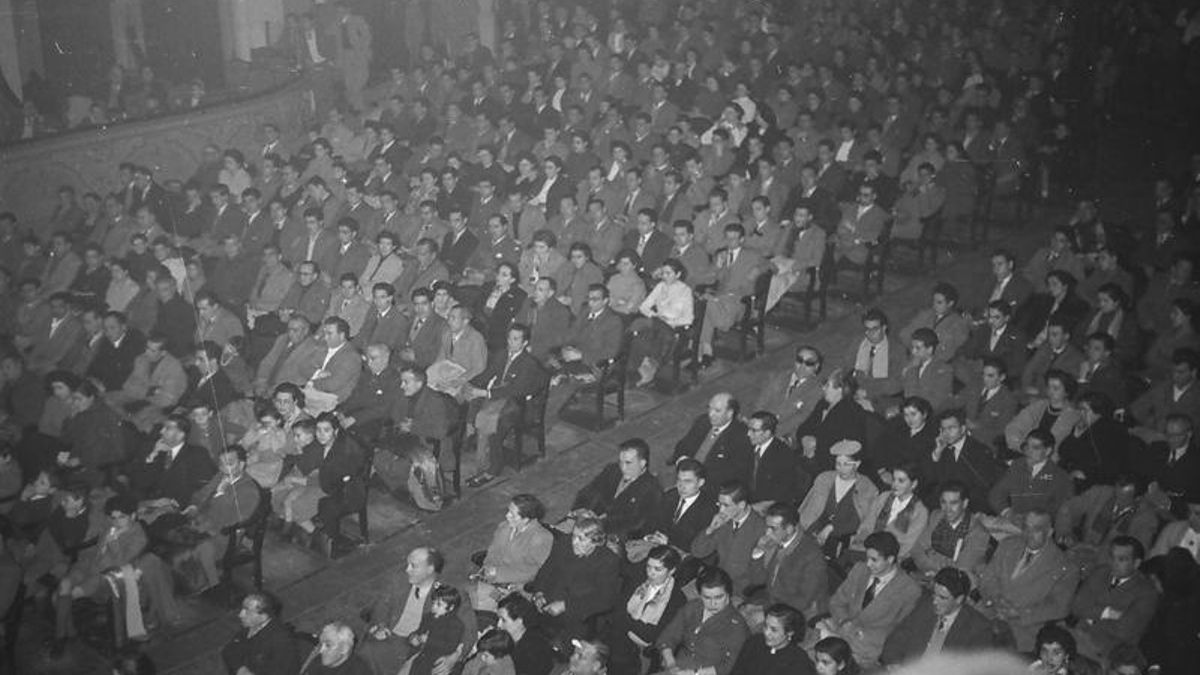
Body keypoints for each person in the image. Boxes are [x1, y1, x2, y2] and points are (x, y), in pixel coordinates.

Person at [360, 547, 477, 675]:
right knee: (365, 653)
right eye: (407, 564)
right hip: (391, 637)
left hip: (422, 648)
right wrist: (381, 625)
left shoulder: (451, 593)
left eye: (413, 566)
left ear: (430, 569)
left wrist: (455, 656)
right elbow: (382, 605)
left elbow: (469, 629)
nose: (407, 570)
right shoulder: (399, 580)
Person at [977, 509, 1080, 652]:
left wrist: (1020, 613)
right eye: (1026, 527)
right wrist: (997, 597)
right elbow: (988, 578)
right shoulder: (1008, 545)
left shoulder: (1065, 567)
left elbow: (1059, 607)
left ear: (1049, 532)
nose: (1029, 534)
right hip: (990, 613)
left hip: (1023, 629)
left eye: (1036, 529)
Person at [463, 324, 548, 487]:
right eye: (509, 338)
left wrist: (485, 393)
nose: (511, 342)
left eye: (516, 339)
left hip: (519, 404)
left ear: (524, 343)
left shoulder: (528, 363)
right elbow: (488, 374)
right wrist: (469, 384)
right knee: (471, 402)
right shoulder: (502, 354)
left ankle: (492, 468)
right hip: (500, 397)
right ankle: (476, 438)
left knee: (494, 423)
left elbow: (515, 390)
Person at [819, 531, 922, 666]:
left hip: (868, 648)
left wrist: (863, 635)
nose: (868, 564)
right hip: (839, 633)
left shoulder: (909, 589)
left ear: (890, 559)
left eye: (874, 560)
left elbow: (898, 630)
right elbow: (836, 602)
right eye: (867, 558)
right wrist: (844, 621)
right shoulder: (859, 570)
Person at [528, 516, 620, 640]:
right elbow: (546, 569)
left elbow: (605, 600)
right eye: (573, 536)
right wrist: (538, 592)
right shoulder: (564, 543)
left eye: (581, 539)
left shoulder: (608, 561)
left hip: (576, 616)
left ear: (595, 541)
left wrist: (566, 605)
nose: (574, 542)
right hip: (544, 605)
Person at [1068, 536, 1159, 662]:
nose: (1114, 564)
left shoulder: (1147, 593)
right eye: (1112, 557)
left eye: (1122, 559)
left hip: (1107, 653)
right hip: (1077, 637)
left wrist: (1090, 618)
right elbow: (1076, 607)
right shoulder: (1100, 572)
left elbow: (1124, 631)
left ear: (1136, 563)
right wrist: (1107, 612)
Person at [879, 567, 994, 666]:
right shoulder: (925, 606)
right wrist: (894, 665)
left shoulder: (979, 629)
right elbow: (898, 637)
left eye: (942, 597)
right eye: (934, 594)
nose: (935, 601)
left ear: (959, 599)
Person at [605, 545, 687, 675]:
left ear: (671, 571)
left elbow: (653, 634)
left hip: (648, 649)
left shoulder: (677, 599)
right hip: (621, 637)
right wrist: (630, 624)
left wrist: (627, 621)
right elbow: (618, 610)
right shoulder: (638, 580)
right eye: (648, 567)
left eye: (658, 569)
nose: (651, 573)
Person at [655, 567, 749, 675]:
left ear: (728, 594)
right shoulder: (693, 607)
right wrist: (671, 665)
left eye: (719, 597)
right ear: (699, 595)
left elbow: (731, 665)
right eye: (707, 597)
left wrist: (694, 673)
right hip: (677, 668)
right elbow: (668, 637)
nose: (713, 603)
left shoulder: (737, 625)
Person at [798, 440, 880, 560]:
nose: (841, 469)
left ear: (857, 464)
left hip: (842, 538)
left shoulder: (867, 487)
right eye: (838, 464)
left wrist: (831, 528)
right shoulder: (824, 479)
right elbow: (808, 509)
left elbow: (859, 521)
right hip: (812, 531)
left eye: (846, 464)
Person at [473, 494, 554, 612]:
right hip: (496, 581)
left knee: (486, 607)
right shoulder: (504, 528)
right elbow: (493, 552)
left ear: (526, 519)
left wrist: (501, 575)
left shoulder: (541, 538)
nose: (507, 516)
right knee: (475, 600)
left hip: (521, 589)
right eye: (508, 511)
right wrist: (488, 568)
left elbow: (541, 571)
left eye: (512, 514)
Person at [570, 438, 663, 541]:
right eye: (620, 462)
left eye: (628, 463)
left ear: (642, 463)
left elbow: (635, 524)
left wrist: (598, 525)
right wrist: (580, 509)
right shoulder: (612, 470)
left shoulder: (652, 490)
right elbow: (590, 490)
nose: (623, 468)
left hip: (616, 537)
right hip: (588, 523)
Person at [747, 502, 828, 617]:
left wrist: (771, 613)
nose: (767, 533)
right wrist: (758, 551)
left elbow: (804, 601)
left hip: (796, 614)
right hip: (771, 603)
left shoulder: (811, 554)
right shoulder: (773, 542)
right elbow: (757, 581)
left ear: (789, 529)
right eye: (767, 527)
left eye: (773, 529)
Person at [691, 481, 767, 596]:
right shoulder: (724, 521)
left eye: (726, 505)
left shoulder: (761, 529)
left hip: (741, 592)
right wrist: (710, 529)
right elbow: (698, 552)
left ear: (741, 505)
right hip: (716, 582)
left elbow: (760, 578)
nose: (721, 510)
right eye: (719, 504)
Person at [909, 480, 991, 584]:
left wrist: (930, 555)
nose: (947, 509)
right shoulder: (937, 516)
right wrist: (935, 567)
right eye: (943, 502)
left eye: (953, 503)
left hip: (953, 588)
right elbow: (916, 550)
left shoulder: (979, 534)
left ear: (965, 503)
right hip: (925, 576)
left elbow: (959, 572)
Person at [987, 429, 1075, 522]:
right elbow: (996, 494)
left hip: (1038, 530)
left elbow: (1064, 514)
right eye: (1027, 446)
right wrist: (1006, 512)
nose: (1028, 452)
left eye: (1035, 448)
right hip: (1012, 524)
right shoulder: (1018, 465)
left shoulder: (1061, 478)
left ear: (1048, 451)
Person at [671, 392, 754, 490]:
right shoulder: (703, 421)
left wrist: (696, 478)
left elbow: (734, 473)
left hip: (710, 487)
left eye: (717, 411)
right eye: (709, 408)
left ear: (730, 413)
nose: (711, 414)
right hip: (685, 476)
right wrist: (682, 460)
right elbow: (683, 445)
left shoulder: (741, 436)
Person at [850, 463, 929, 560]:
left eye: (901, 481)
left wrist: (883, 558)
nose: (895, 485)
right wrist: (861, 541)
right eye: (893, 479)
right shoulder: (884, 497)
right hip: (866, 549)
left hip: (892, 558)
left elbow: (908, 545)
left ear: (914, 484)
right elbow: (867, 525)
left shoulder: (920, 511)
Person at [222, 592, 305, 675]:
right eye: (242, 609)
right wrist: (241, 669)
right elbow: (229, 650)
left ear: (263, 616)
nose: (240, 615)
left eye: (247, 611)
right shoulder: (249, 629)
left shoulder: (281, 641)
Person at [729, 603, 816, 675]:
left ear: (790, 632)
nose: (766, 633)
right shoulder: (753, 642)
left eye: (774, 630)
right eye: (765, 626)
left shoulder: (798, 660)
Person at [404, 585, 467, 675]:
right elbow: (419, 631)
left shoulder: (456, 624)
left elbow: (451, 646)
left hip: (438, 661)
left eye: (439, 605)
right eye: (433, 603)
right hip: (422, 658)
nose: (434, 607)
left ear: (451, 607)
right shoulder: (428, 617)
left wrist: (428, 640)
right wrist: (414, 638)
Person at [497, 593, 556, 675]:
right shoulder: (511, 639)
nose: (498, 625)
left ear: (520, 621)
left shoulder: (531, 651)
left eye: (503, 620)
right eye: (498, 619)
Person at [302, 622, 371, 674]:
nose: (321, 650)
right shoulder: (317, 661)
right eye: (321, 644)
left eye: (328, 645)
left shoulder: (358, 671)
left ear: (344, 649)